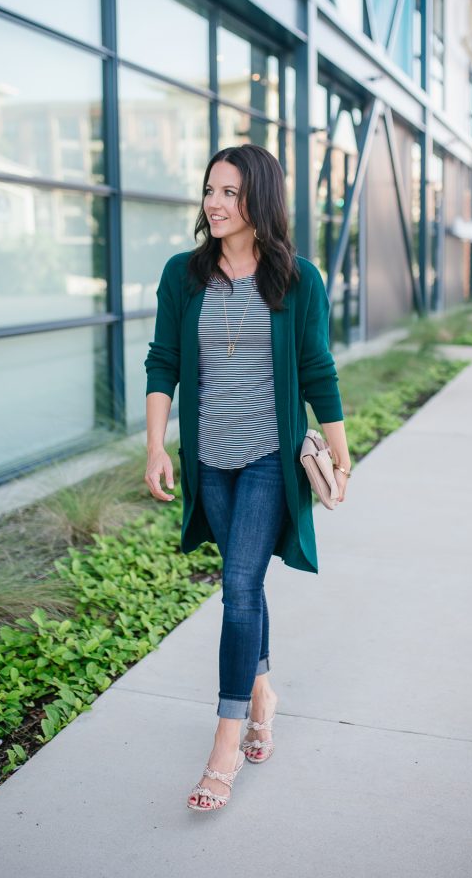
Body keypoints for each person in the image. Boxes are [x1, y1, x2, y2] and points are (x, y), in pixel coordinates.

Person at [143, 144, 351, 812]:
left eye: (229, 192)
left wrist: (341, 455)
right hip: (211, 460)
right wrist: (155, 446)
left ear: (259, 198)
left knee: (238, 588)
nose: (214, 203)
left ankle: (225, 740)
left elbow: (317, 368)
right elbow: (163, 362)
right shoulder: (184, 275)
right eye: (209, 190)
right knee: (245, 586)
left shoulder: (297, 279)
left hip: (269, 457)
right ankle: (263, 695)